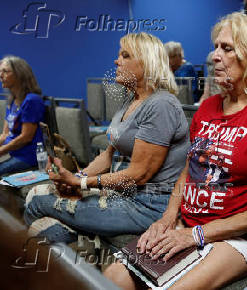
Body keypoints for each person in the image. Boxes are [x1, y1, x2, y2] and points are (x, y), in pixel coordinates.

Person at [104, 12, 247, 289]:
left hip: (239, 238)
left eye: (227, 48)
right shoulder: (208, 108)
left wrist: (196, 235)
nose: (215, 56)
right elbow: (188, 173)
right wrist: (166, 219)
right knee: (111, 279)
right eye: (215, 47)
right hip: (189, 224)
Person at [24, 32, 190, 244]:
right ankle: (75, 248)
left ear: (147, 63)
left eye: (125, 55)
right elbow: (108, 155)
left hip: (148, 205)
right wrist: (77, 178)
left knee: (38, 202)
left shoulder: (161, 105)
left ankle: (45, 267)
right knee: (44, 196)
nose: (116, 61)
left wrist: (82, 182)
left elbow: (138, 175)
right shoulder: (131, 100)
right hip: (124, 195)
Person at [0, 56, 45, 175]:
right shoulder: (12, 100)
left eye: (5, 71)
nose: (1, 75)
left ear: (19, 74)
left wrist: (1, 151)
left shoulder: (31, 100)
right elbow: (5, 134)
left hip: (28, 158)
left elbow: (26, 137)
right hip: (12, 153)